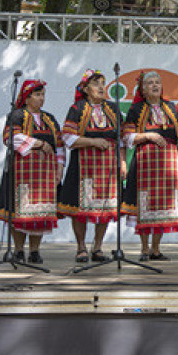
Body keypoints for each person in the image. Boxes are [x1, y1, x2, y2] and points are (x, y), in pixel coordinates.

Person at [59, 69, 125, 263]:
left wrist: (122, 161)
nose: (101, 87)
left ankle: (98, 246)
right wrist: (93, 142)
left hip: (108, 166)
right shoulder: (77, 108)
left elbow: (121, 140)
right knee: (80, 208)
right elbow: (68, 137)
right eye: (96, 84)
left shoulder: (113, 109)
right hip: (83, 165)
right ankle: (81, 246)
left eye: (103, 83)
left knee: (105, 206)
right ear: (86, 89)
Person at [0, 80, 64, 263]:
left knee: (41, 212)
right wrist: (38, 143)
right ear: (27, 97)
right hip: (21, 173)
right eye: (38, 95)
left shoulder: (49, 118)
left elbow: (60, 146)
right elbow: (10, 138)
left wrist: (60, 168)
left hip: (45, 174)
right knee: (19, 212)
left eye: (43, 95)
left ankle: (34, 250)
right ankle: (18, 250)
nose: (42, 99)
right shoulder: (17, 115)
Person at [121, 70, 178, 261]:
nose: (155, 85)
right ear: (142, 88)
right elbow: (127, 136)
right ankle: (144, 248)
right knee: (145, 203)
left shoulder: (171, 108)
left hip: (169, 162)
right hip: (146, 163)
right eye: (150, 83)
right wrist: (148, 136)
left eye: (157, 82)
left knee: (163, 204)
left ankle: (156, 249)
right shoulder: (136, 109)